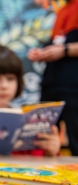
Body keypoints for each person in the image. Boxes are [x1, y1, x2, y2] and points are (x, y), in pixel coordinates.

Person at [27, 0, 78, 155]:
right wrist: (42, 53)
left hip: (73, 87)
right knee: (41, 138)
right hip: (51, 84)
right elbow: (58, 42)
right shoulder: (63, 10)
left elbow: (64, 47)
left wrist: (65, 50)